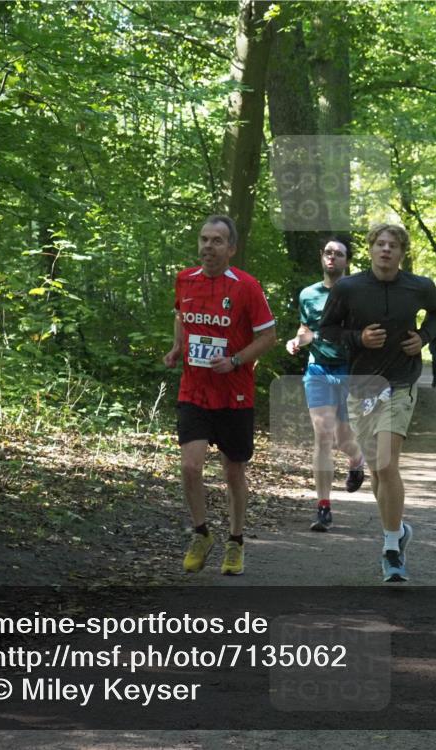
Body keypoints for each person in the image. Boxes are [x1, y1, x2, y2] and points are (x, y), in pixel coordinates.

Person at [320, 223, 436, 582]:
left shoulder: (418, 286)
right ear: (371, 249)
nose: (386, 250)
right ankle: (399, 529)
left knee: (387, 464)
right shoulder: (349, 287)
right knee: (378, 469)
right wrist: (358, 338)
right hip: (362, 386)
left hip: (401, 383)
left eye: (393, 245)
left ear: (402, 252)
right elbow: (327, 331)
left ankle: (391, 548)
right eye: (380, 244)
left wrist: (423, 336)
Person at [163, 215, 277, 576]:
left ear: (231, 248)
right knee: (190, 466)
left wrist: (236, 360)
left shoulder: (246, 286)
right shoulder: (185, 279)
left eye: (216, 241)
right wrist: (177, 347)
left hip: (234, 394)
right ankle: (201, 533)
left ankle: (235, 540)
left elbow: (269, 337)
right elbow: (182, 316)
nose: (208, 247)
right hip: (194, 389)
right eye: (204, 239)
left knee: (232, 471)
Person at [286, 237, 366, 532]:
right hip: (317, 370)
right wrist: (295, 341)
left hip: (349, 371)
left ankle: (357, 459)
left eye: (339, 254)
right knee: (323, 436)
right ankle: (323, 507)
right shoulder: (308, 294)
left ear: (347, 261)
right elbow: (305, 329)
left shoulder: (357, 294)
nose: (332, 257)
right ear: (322, 257)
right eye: (328, 252)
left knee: (343, 440)